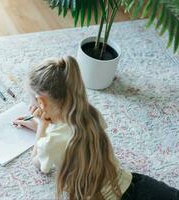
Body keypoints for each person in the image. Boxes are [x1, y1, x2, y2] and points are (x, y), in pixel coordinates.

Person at [13, 56, 179, 200]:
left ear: (41, 102)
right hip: (132, 184)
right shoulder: (91, 113)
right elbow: (69, 133)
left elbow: (39, 163)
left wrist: (42, 125)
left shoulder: (51, 142)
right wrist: (43, 126)